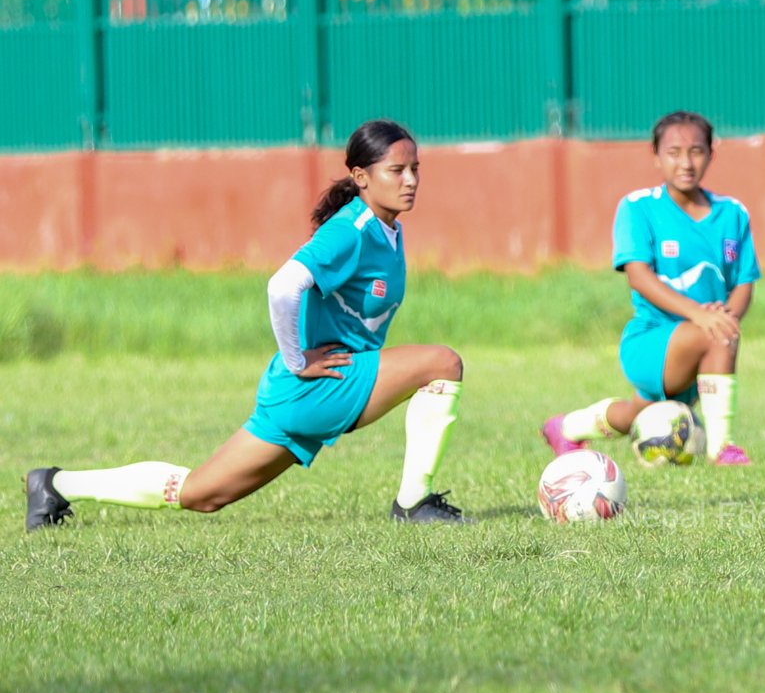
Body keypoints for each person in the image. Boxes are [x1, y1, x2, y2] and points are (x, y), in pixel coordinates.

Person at [24, 120, 468, 530]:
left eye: (415, 169)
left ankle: (55, 485)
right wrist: (298, 360)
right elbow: (283, 286)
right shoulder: (351, 229)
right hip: (319, 381)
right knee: (442, 364)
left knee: (201, 492)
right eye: (397, 170)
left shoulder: (388, 228)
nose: (410, 180)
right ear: (361, 176)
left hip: (304, 390)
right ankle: (413, 503)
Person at [541, 110, 758, 467]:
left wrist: (725, 318)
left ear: (711, 153)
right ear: (655, 154)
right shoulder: (638, 207)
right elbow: (639, 276)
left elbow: (745, 281)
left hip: (704, 343)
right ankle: (723, 449)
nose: (685, 162)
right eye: (673, 152)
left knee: (638, 415)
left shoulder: (733, 213)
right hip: (651, 339)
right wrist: (703, 318)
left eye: (696, 151)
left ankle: (566, 427)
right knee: (718, 335)